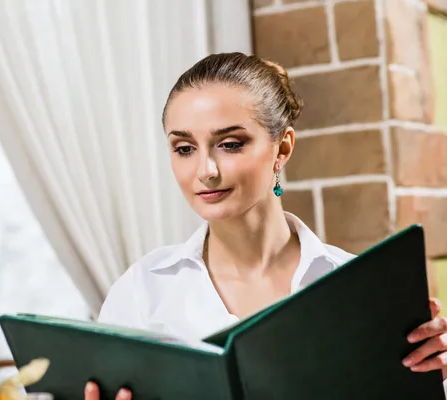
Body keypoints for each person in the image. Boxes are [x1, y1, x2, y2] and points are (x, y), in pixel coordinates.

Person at [83, 53, 447, 400]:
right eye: (184, 148)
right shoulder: (142, 291)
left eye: (230, 144)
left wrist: (438, 375)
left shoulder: (362, 290)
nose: (206, 171)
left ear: (282, 148)